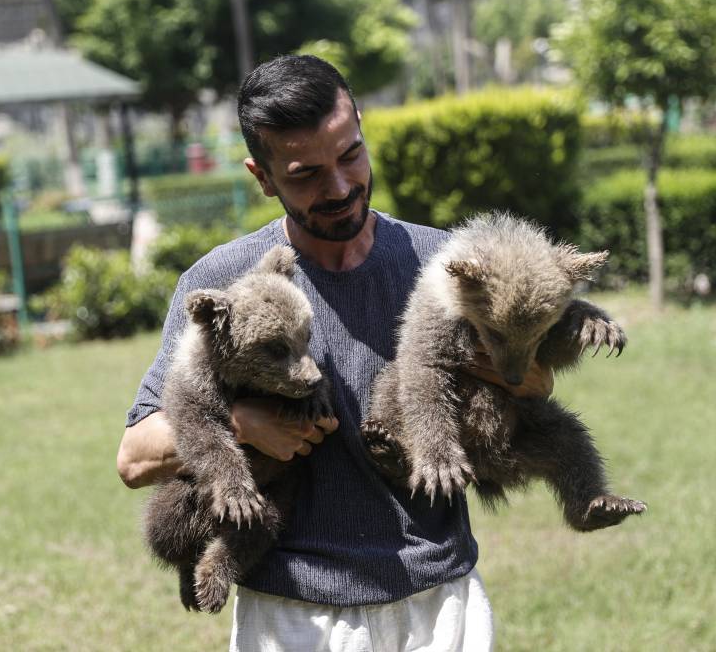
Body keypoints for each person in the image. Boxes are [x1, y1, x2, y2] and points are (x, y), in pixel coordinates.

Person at [118, 55, 553, 651]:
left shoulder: (442, 263)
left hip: (437, 604)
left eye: (351, 155)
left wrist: (492, 361)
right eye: (306, 174)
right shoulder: (224, 280)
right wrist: (244, 425)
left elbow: (538, 384)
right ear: (263, 176)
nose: (341, 186)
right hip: (294, 615)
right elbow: (135, 457)